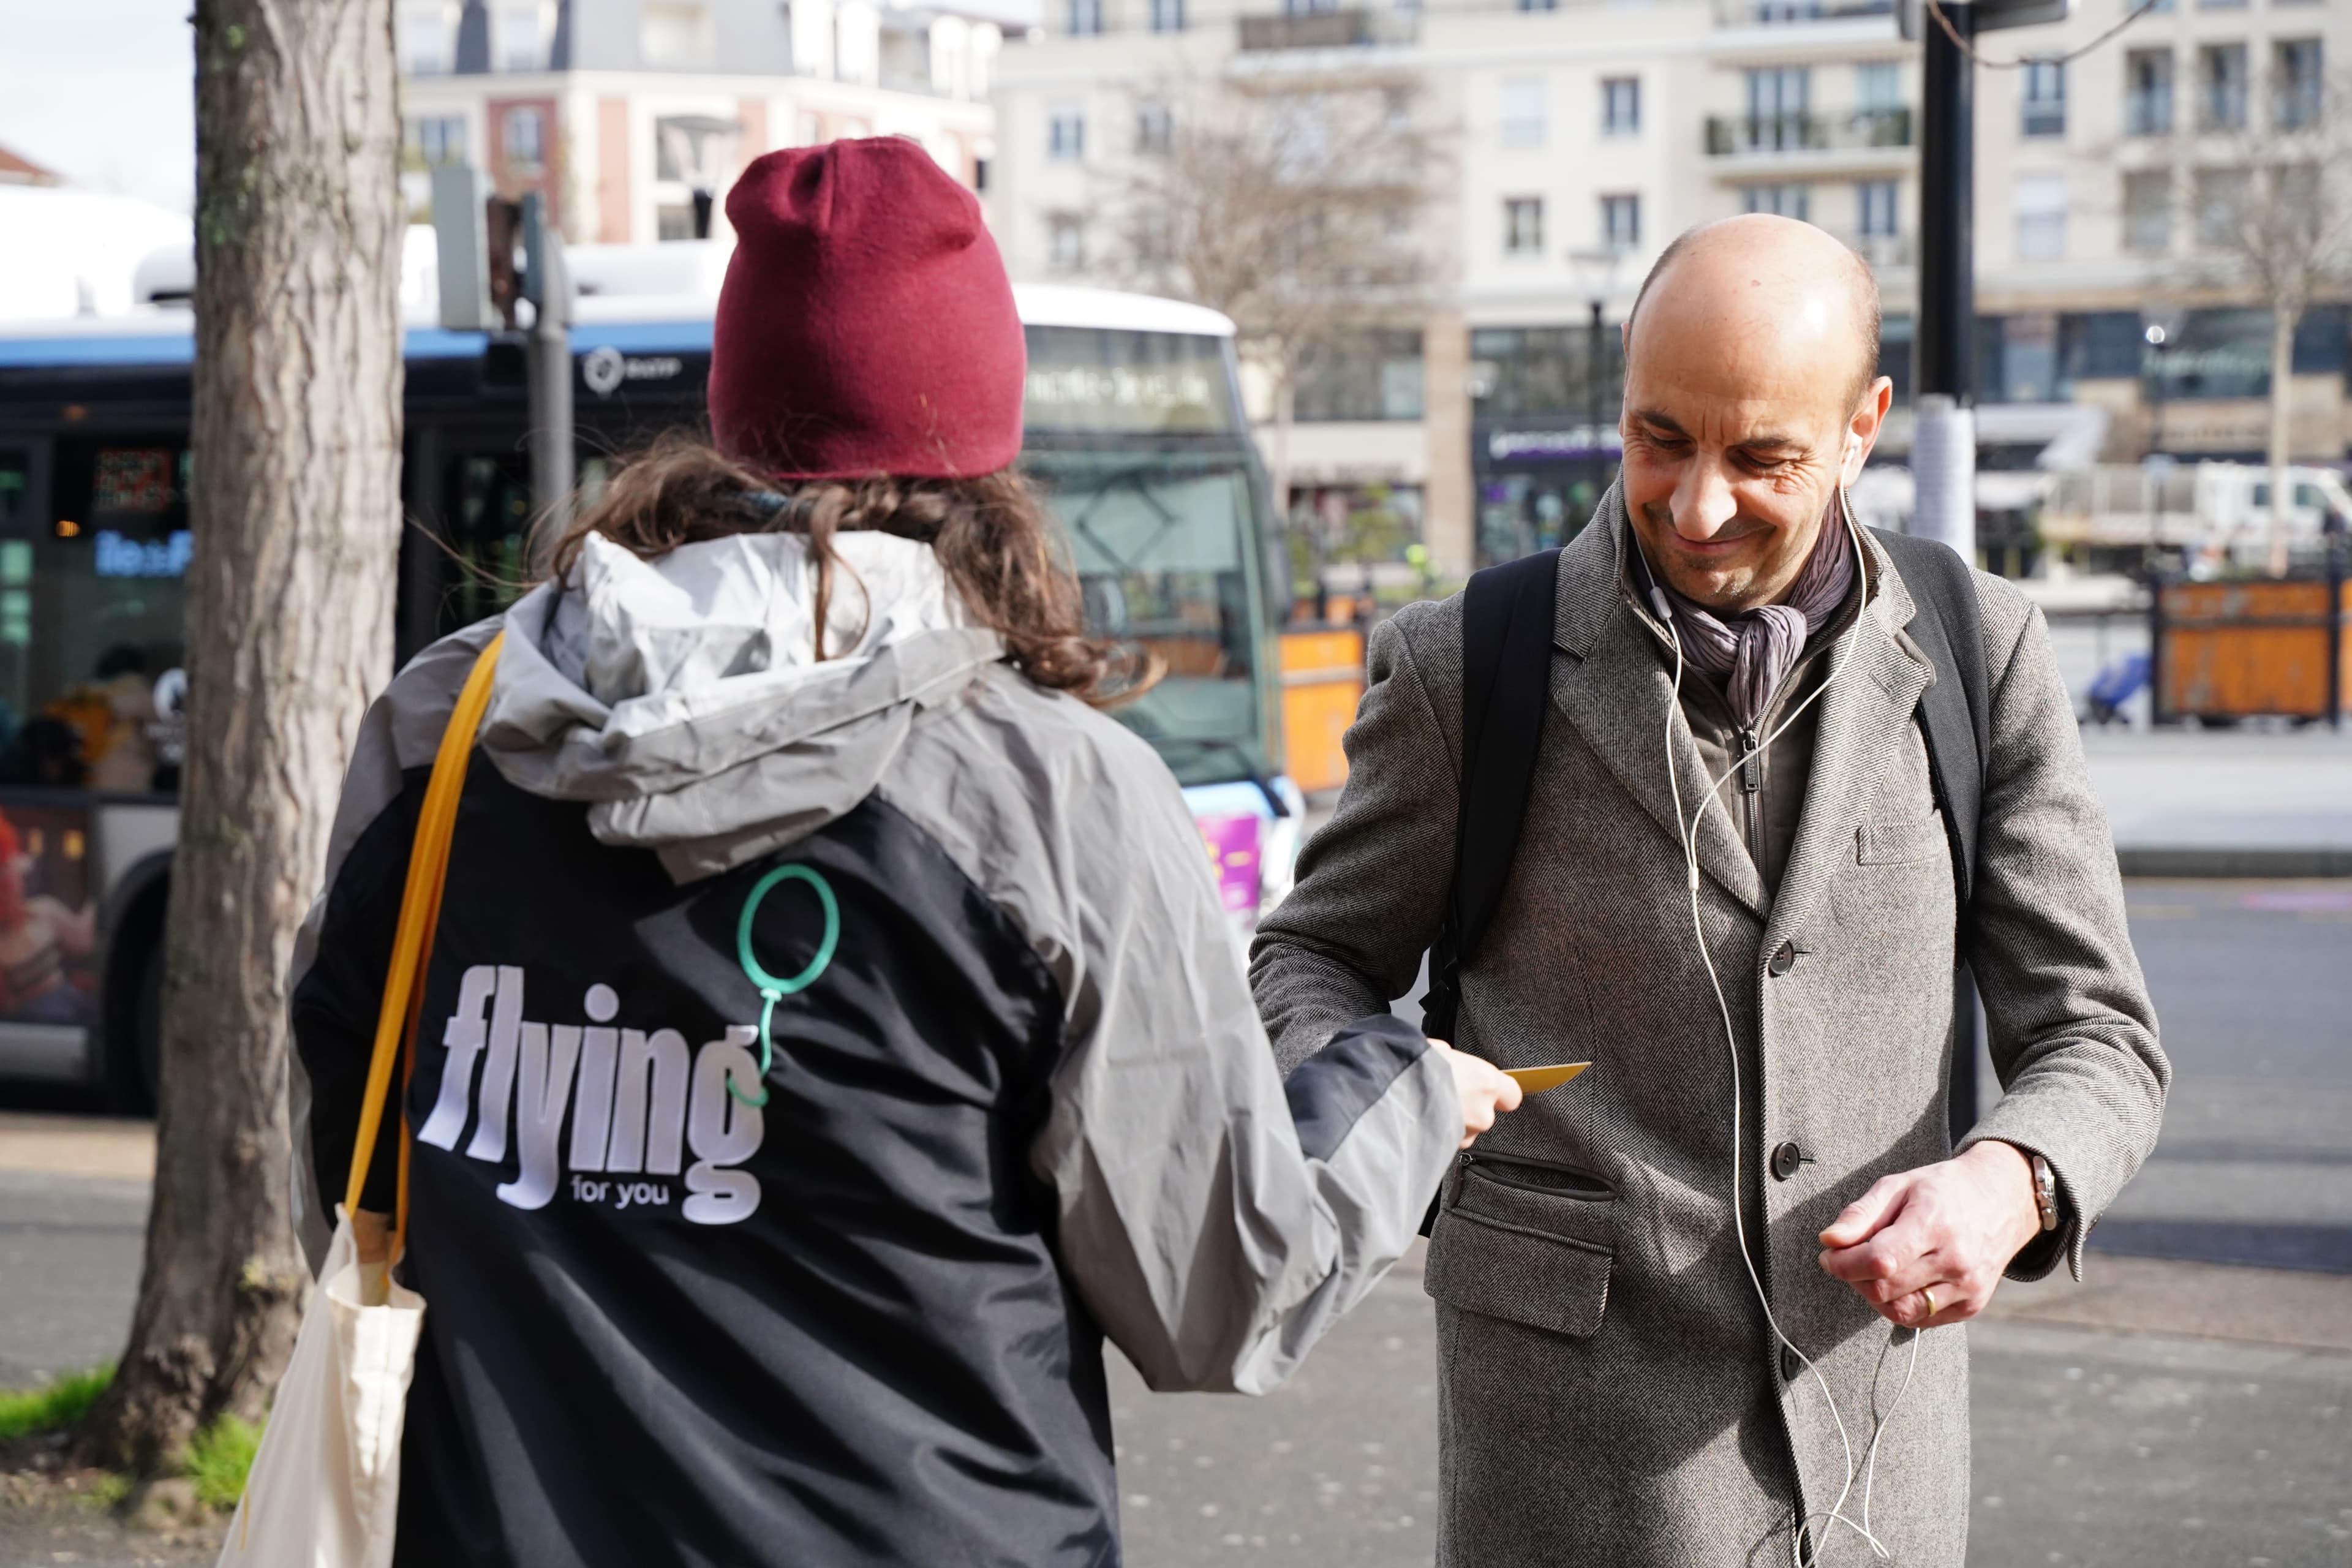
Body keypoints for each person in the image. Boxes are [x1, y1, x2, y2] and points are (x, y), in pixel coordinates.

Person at [287, 139, 1521, 1568]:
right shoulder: (1058, 792)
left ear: (732, 414)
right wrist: (1406, 1086)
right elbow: (1219, 1295)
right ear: (982, 445)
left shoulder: (447, 726)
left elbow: (349, 1148)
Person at [1251, 215, 2167, 1567]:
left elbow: (2100, 1034)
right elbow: (1308, 957)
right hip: (1561, 1472)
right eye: (1658, 438)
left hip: (1874, 1467)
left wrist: (2014, 1179)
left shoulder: (1987, 649)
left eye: (1763, 457)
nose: (1696, 506)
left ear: (1864, 426)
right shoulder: (1463, 665)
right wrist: (1375, 1075)